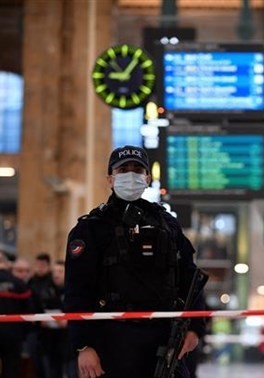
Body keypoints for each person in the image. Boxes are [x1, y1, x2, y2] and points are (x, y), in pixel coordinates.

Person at [64, 145, 206, 378]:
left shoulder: (167, 224)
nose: (131, 175)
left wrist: (195, 329)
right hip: (111, 342)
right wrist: (83, 346)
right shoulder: (91, 228)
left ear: (147, 178)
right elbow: (77, 291)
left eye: (137, 169)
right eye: (123, 170)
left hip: (165, 341)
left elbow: (191, 279)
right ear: (110, 179)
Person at [0, 251, 33, 378]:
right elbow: (29, 311)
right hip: (13, 335)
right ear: (7, 265)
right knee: (11, 370)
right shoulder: (19, 284)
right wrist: (23, 333)